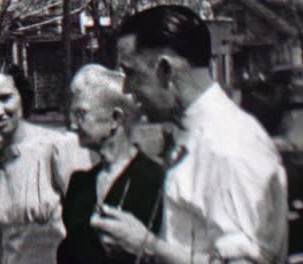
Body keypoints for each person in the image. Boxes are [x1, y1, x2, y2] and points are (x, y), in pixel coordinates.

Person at [91, 5, 288, 263]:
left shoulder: (229, 146)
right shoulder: (196, 133)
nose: (127, 89)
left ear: (165, 70)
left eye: (132, 73)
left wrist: (147, 245)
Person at [0, 70, 95, 264]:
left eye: (5, 98)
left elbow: (89, 231)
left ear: (23, 97)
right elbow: (3, 242)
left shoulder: (59, 147)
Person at [57, 64, 164, 264]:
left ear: (115, 118)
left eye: (81, 114)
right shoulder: (79, 185)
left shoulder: (155, 182)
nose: (72, 125)